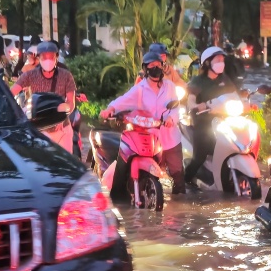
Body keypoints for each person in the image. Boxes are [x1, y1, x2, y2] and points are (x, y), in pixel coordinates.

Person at [101, 52, 186, 197]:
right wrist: (111, 109)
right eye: (152, 66)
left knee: (177, 173)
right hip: (150, 135)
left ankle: (180, 202)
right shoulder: (140, 89)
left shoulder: (170, 86)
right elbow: (123, 100)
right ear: (146, 69)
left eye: (158, 65)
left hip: (170, 136)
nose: (156, 68)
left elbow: (176, 107)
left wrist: (172, 118)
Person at [185, 46, 237, 186]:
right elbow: (191, 100)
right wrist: (195, 106)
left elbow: (234, 95)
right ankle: (184, 181)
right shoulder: (198, 81)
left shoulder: (225, 79)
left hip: (223, 121)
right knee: (199, 157)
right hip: (204, 123)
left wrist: (245, 102)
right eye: (218, 60)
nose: (221, 62)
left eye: (222, 60)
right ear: (208, 63)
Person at [13, 41, 78, 151]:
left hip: (62, 129)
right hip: (40, 130)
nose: (48, 60)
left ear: (56, 57)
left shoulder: (66, 75)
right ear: (39, 57)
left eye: (51, 56)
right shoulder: (30, 75)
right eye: (44, 56)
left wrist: (63, 112)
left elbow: (71, 103)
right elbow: (12, 92)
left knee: (64, 165)